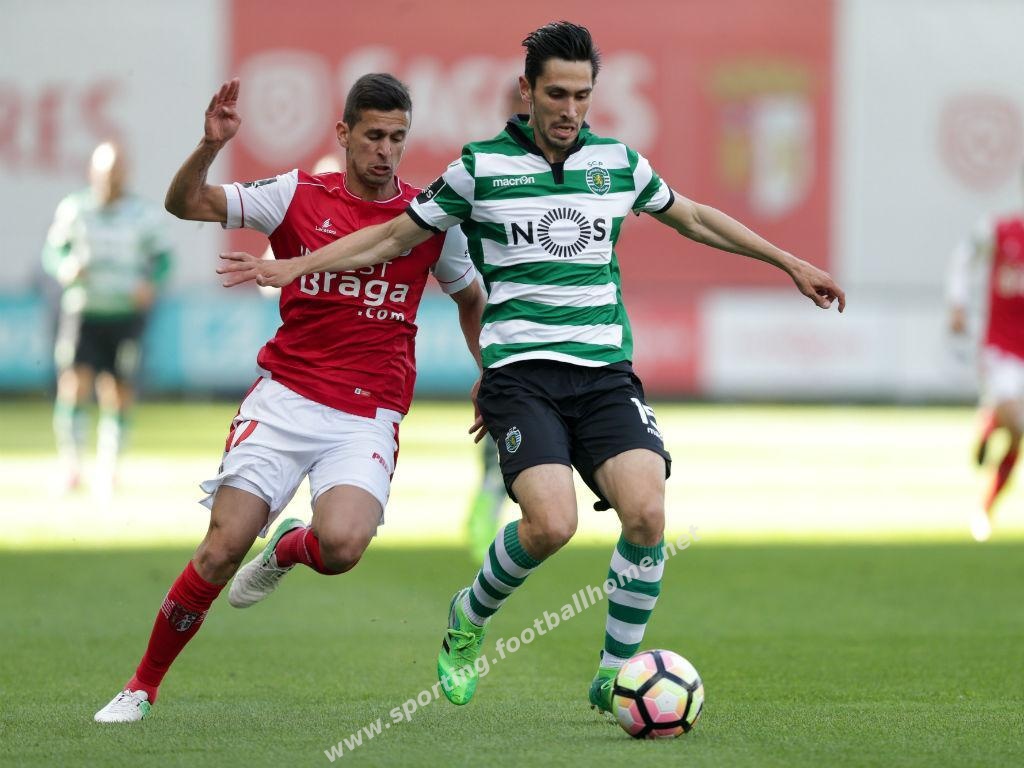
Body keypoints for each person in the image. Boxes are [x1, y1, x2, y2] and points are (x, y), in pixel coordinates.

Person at [218, 21, 845, 715]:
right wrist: (297, 265)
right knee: (551, 525)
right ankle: (469, 615)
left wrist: (789, 262)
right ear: (528, 91)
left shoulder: (618, 164)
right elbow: (393, 236)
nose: (570, 109)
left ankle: (614, 674)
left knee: (647, 512)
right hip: (521, 375)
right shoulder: (479, 169)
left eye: (582, 95)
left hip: (604, 373)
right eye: (557, 94)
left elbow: (693, 218)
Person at [93, 74, 484, 723]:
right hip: (286, 398)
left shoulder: (429, 220)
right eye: (374, 135)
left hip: (367, 413)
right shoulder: (295, 195)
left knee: (343, 547)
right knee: (221, 548)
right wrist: (210, 145)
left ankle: (288, 548)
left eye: (397, 137)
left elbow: (472, 298)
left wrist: (487, 371)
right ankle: (142, 685)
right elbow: (186, 204)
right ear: (344, 134)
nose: (386, 150)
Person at [42, 141, 173, 497]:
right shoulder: (75, 209)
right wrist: (65, 267)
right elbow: (53, 251)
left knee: (118, 389)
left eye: (115, 172)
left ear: (124, 173)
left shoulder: (143, 215)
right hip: (84, 309)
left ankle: (109, 468)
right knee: (74, 384)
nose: (110, 179)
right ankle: (72, 467)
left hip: (125, 313)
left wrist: (151, 284)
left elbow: (163, 259)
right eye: (104, 172)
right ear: (92, 172)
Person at [464, 83, 528, 560]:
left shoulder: (579, 170)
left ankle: (495, 493)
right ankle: (490, 493)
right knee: (506, 422)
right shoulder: (487, 168)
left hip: (563, 332)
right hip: (510, 329)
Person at [948, 167, 1024, 542]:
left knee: (1017, 438)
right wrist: (958, 303)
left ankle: (985, 509)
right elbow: (964, 256)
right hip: (1001, 347)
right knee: (1020, 426)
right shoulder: (1001, 230)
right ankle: (994, 417)